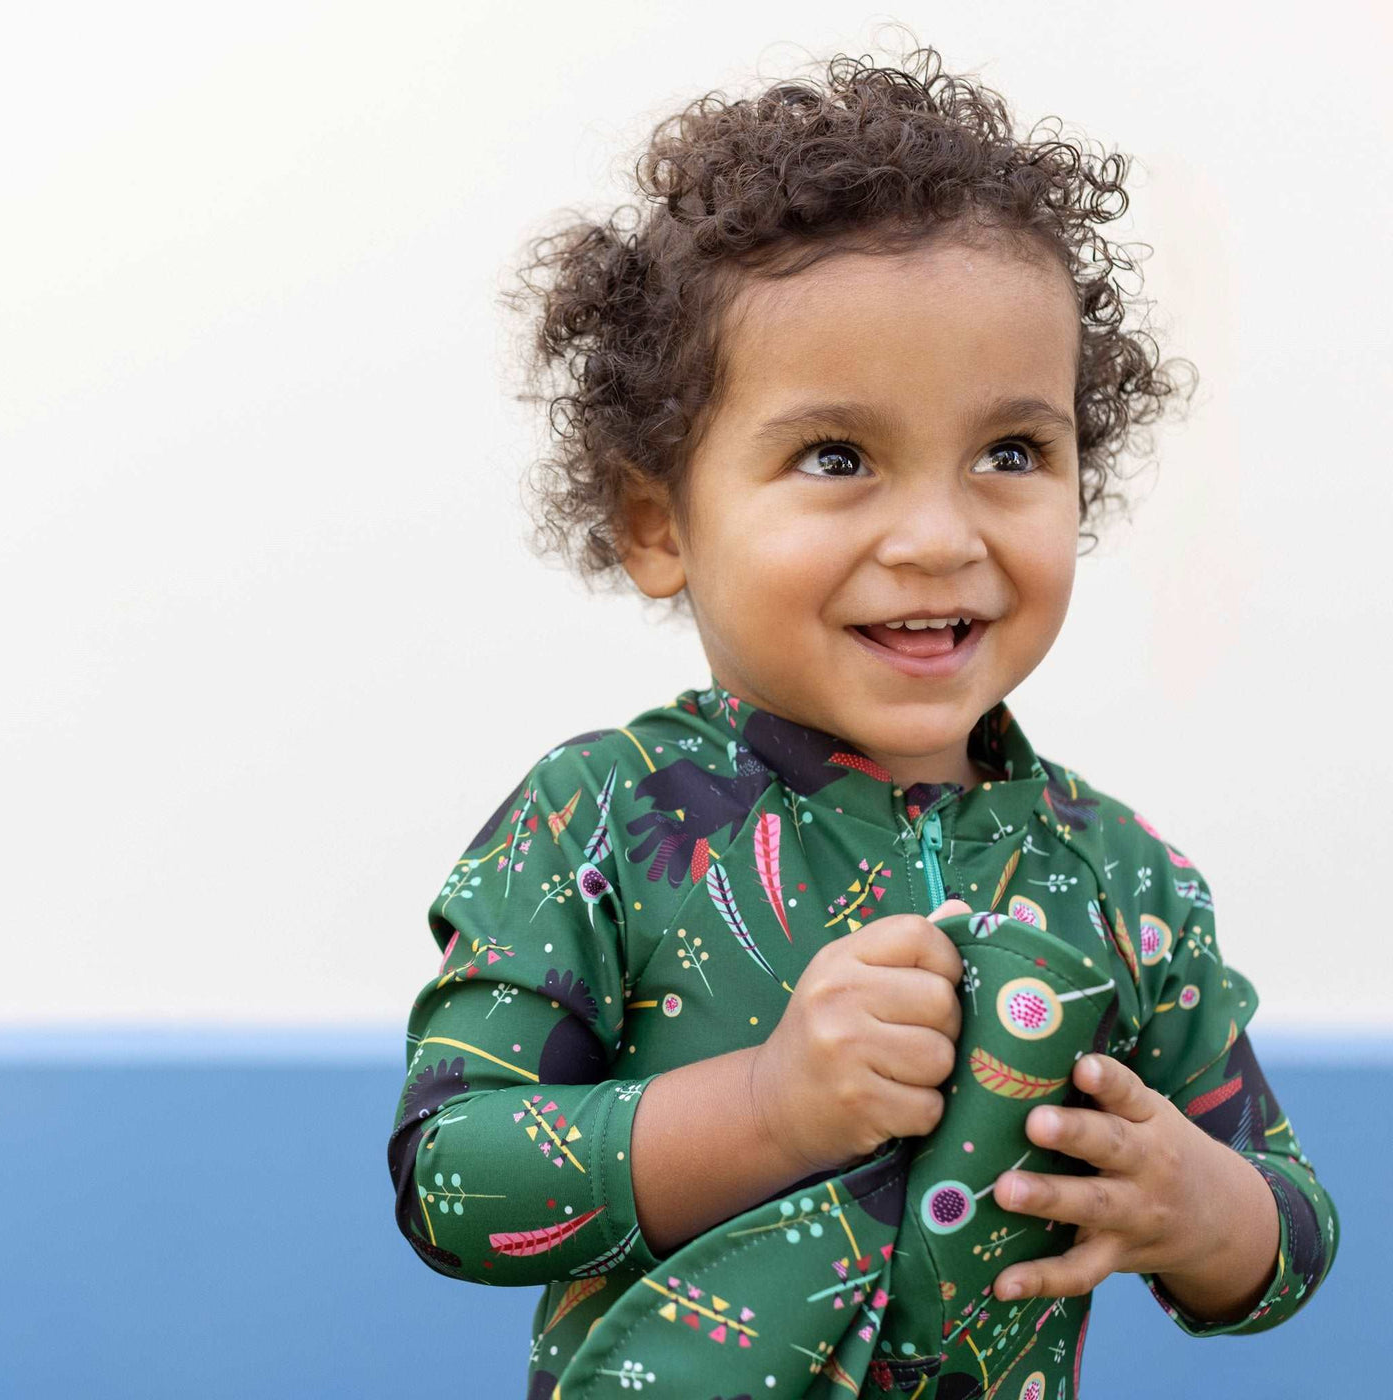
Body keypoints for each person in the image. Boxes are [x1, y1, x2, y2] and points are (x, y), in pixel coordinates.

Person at [387, 40, 1338, 1399]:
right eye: (837, 457)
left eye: (1014, 451)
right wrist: (769, 1110)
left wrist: (1203, 1213)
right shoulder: (596, 820)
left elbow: (1292, 1233)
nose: (941, 536)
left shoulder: (1126, 884)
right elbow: (452, 1183)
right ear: (659, 522)